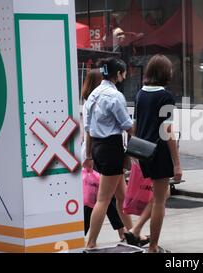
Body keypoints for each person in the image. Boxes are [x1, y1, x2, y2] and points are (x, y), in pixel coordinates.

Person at [131, 54, 182, 253]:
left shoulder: (139, 94)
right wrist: (177, 163)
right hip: (159, 153)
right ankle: (153, 247)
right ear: (164, 73)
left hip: (143, 151)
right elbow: (167, 131)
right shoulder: (165, 97)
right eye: (170, 69)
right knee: (160, 200)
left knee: (162, 193)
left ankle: (136, 230)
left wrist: (133, 152)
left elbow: (135, 125)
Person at [83, 57, 134, 249]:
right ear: (119, 74)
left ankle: (131, 233)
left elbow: (87, 129)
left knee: (122, 195)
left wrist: (88, 156)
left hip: (97, 147)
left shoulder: (93, 95)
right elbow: (127, 126)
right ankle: (91, 242)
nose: (125, 76)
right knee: (103, 199)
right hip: (111, 147)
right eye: (124, 73)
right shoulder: (115, 96)